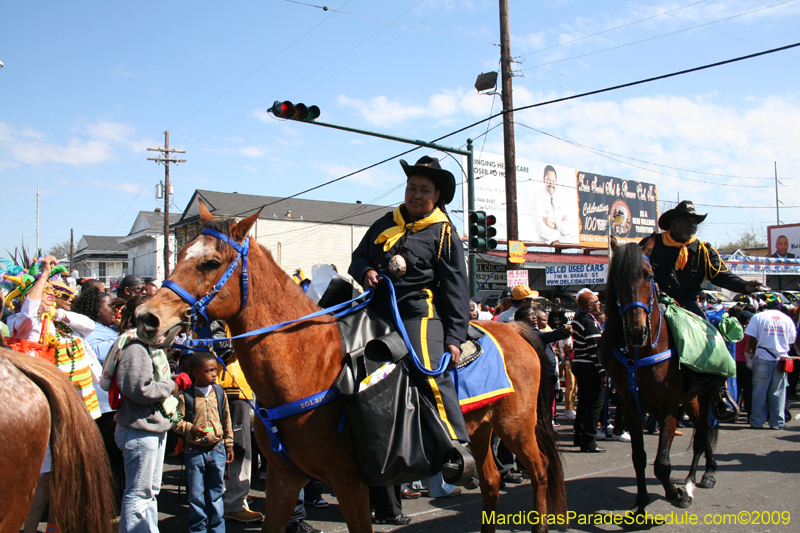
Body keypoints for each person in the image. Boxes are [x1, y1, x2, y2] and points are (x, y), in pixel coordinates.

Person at [348, 155, 475, 487]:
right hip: (376, 310)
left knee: (428, 370)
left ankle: (456, 447)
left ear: (437, 196)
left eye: (424, 190)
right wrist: (367, 270)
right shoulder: (383, 223)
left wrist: (454, 337)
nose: (416, 195)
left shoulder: (443, 232)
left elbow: (456, 287)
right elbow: (357, 258)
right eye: (411, 188)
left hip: (418, 311)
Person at [641, 200, 763, 422]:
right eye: (687, 221)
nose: (692, 225)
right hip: (655, 303)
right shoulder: (652, 243)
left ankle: (719, 391)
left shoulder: (704, 249)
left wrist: (745, 286)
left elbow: (721, 276)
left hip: (687, 303)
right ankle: (618, 378)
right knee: (629, 328)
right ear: (673, 223)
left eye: (694, 222)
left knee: (713, 338)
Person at [113, 295, 179, 533]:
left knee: (150, 491)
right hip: (139, 429)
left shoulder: (149, 347)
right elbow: (139, 389)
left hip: (151, 427)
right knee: (139, 493)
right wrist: (172, 385)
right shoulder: (135, 348)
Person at [71, 286, 127, 510]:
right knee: (109, 458)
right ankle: (109, 506)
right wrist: (127, 336)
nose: (115, 311)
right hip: (102, 407)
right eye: (109, 306)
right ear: (96, 311)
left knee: (117, 459)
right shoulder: (91, 332)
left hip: (113, 405)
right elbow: (103, 353)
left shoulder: (109, 330)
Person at [173, 352, 234, 533]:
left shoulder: (219, 392)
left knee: (217, 493)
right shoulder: (185, 397)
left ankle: (217, 529)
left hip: (217, 449)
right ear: (195, 373)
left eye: (215, 370)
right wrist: (191, 429)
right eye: (209, 371)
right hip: (194, 452)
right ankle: (198, 529)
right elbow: (175, 422)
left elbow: (227, 419)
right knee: (196, 495)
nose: (214, 374)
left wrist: (229, 444)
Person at [744, 294, 797, 430]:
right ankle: (777, 422)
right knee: (778, 392)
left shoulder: (758, 317)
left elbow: (752, 339)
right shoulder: (787, 319)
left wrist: (754, 354)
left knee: (759, 391)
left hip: (763, 358)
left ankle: (757, 421)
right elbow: (791, 342)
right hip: (781, 360)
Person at [570, 290, 607, 453]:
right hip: (590, 366)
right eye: (597, 302)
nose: (600, 304)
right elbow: (595, 349)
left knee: (584, 402)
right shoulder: (589, 322)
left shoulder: (579, 319)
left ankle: (579, 435)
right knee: (594, 404)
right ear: (590, 305)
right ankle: (589, 441)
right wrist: (602, 372)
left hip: (580, 364)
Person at [531, 165, 579, 243]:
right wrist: (561, 234)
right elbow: (541, 229)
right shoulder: (538, 197)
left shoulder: (560, 200)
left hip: (561, 246)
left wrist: (554, 225)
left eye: (553, 181)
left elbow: (570, 227)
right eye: (549, 180)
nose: (551, 184)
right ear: (544, 179)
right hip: (544, 246)